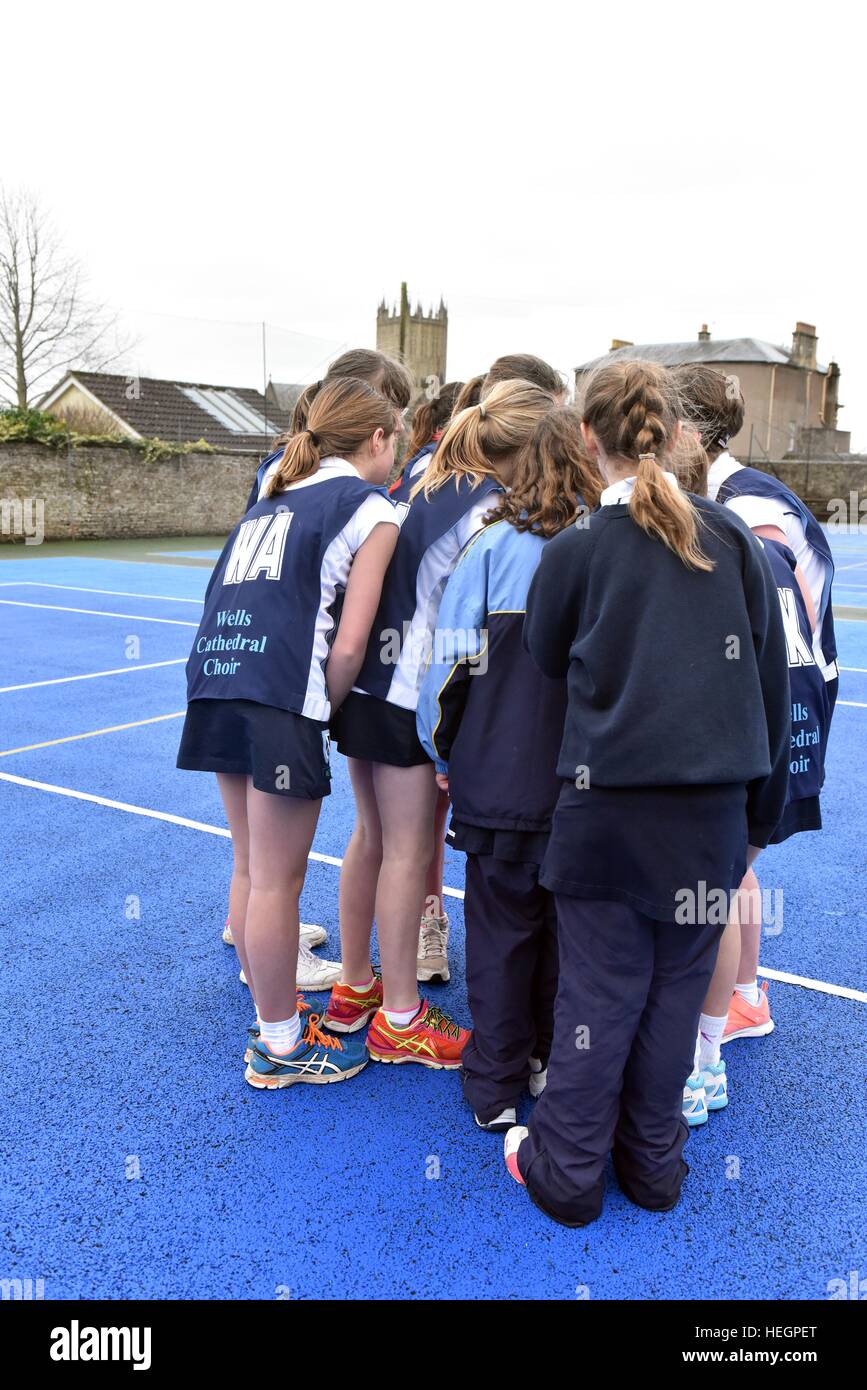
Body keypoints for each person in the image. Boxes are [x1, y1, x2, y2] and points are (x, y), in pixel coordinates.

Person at [503, 359, 790, 1226]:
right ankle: (653, 1167)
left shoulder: (576, 549)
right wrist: (757, 818)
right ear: (669, 434)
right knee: (672, 996)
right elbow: (768, 687)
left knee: (598, 998)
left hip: (607, 819)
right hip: (705, 821)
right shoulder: (729, 539)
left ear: (586, 439)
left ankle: (568, 1172)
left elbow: (546, 658)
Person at [323, 380, 556, 1068]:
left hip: (365, 686)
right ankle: (399, 1017)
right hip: (403, 695)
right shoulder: (489, 508)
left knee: (370, 838)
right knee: (406, 850)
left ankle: (354, 986)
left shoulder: (423, 478)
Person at [177, 379, 402, 1087]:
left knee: (250, 867)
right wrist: (324, 709)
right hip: (278, 694)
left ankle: (271, 1007)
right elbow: (349, 645)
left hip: (216, 679)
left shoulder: (273, 491)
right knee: (278, 878)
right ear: (377, 441)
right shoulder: (372, 509)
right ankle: (278, 1044)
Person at [417, 406, 601, 1131]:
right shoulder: (608, 546)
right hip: (584, 785)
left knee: (499, 934)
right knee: (569, 935)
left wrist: (441, 752)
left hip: (495, 781)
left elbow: (446, 668)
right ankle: (548, 1058)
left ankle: (491, 1082)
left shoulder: (489, 546)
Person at [676, 364, 837, 1070]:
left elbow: (774, 620)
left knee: (723, 861)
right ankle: (742, 994)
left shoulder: (744, 507)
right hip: (786, 692)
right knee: (733, 863)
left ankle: (730, 1005)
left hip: (781, 696)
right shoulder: (738, 495)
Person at [244, 349, 413, 513]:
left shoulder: (300, 463)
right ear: (348, 404)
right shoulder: (292, 469)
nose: (399, 426)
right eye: (389, 410)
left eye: (401, 411)